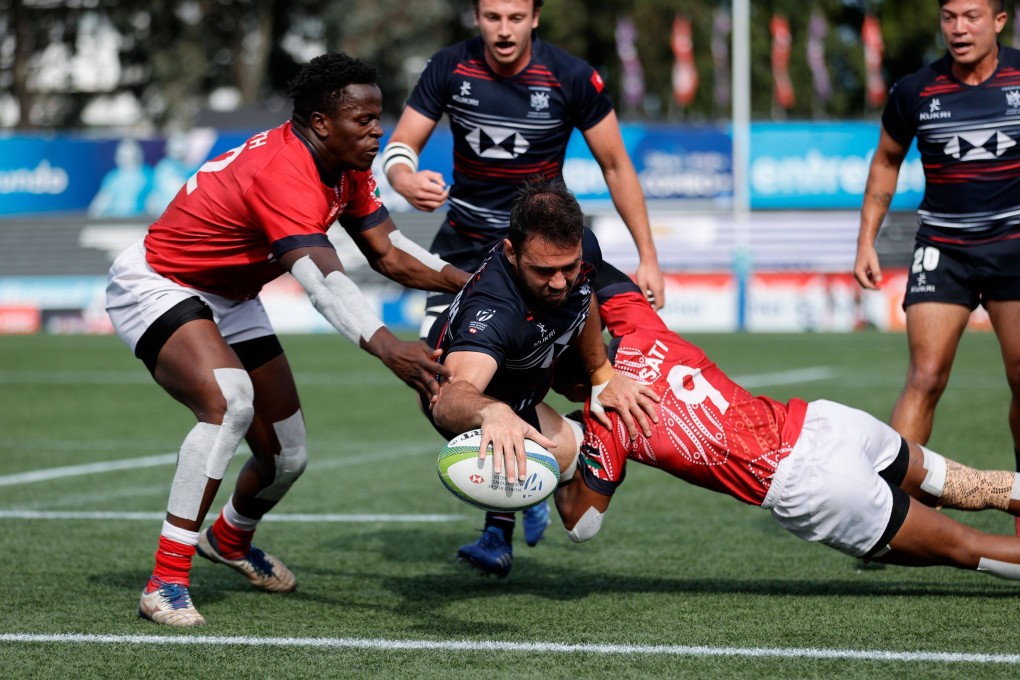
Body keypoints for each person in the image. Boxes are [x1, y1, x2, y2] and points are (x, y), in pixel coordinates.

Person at [105, 53, 470, 627]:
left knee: (287, 456)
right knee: (228, 403)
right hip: (159, 283)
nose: (378, 129)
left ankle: (228, 540)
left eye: (379, 116)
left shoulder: (345, 162)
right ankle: (165, 582)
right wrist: (387, 346)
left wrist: (469, 282)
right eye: (364, 118)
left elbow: (391, 253)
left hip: (232, 294)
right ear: (321, 122)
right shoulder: (284, 170)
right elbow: (322, 284)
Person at [384, 0, 665, 550]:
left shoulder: (569, 75)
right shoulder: (449, 67)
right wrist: (402, 177)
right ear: (476, 17)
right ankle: (520, 489)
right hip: (466, 253)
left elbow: (615, 164)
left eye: (515, 17)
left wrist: (648, 254)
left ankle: (520, 502)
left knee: (590, 368)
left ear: (535, 17)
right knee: (439, 387)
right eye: (492, 16)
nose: (504, 29)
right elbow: (400, 146)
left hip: (546, 253)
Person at [554, 273, 1020, 582]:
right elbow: (601, 270)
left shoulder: (606, 422)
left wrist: (557, 466)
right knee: (966, 484)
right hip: (829, 422)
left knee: (967, 548)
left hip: (814, 484)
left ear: (576, 384)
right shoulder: (641, 328)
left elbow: (582, 525)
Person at [423, 177, 658, 577]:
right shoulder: (494, 310)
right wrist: (492, 413)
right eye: (544, 270)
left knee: (644, 381)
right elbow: (448, 399)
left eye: (569, 266)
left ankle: (525, 495)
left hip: (536, 368)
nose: (559, 281)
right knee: (578, 513)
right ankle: (516, 507)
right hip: (492, 399)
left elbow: (582, 298)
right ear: (512, 253)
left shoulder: (579, 252)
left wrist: (602, 374)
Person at [853, 0, 1020, 531]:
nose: (958, 27)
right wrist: (866, 241)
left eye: (972, 16)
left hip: (1014, 247)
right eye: (949, 16)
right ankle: (890, 515)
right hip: (943, 250)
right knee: (924, 377)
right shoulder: (915, 90)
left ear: (999, 21)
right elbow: (885, 161)